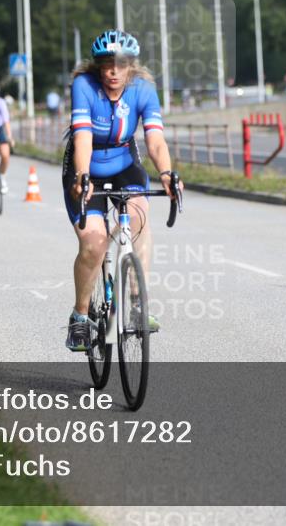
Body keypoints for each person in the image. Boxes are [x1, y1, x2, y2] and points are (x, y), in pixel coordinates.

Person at [63, 29, 181, 351]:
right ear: (98, 66)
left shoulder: (143, 90)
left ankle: (137, 305)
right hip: (86, 167)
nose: (113, 72)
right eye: (106, 65)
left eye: (121, 64)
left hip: (125, 162)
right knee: (93, 244)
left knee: (141, 220)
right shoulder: (84, 87)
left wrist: (167, 174)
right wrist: (83, 176)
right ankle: (80, 317)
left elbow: (154, 140)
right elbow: (83, 139)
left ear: (131, 65)